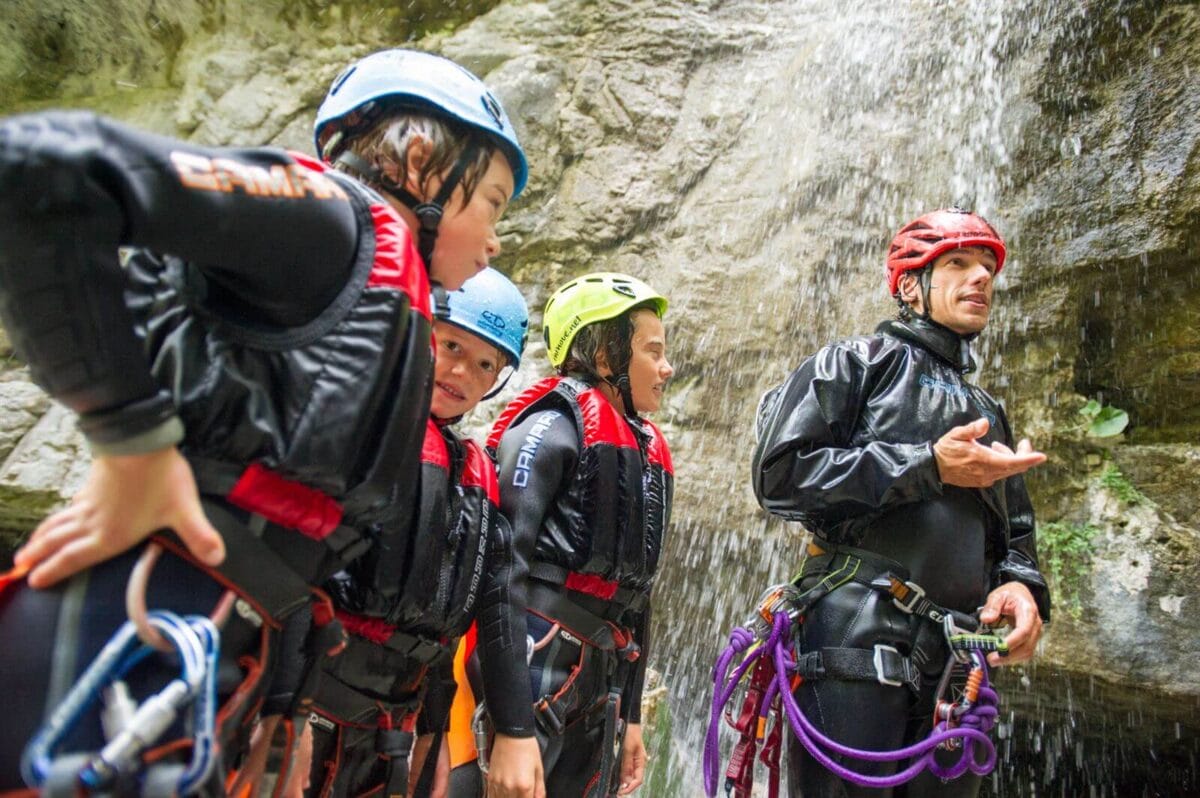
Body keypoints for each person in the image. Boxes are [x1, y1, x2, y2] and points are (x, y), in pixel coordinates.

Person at [0, 47, 527, 794]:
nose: (496, 239)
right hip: (134, 626)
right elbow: (41, 166)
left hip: (206, 645)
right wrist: (132, 442)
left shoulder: (373, 284)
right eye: (495, 202)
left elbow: (294, 547)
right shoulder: (330, 221)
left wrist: (287, 703)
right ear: (417, 161)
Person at [751, 208, 1051, 797]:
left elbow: (1014, 539)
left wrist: (1022, 589)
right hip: (857, 632)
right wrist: (928, 466)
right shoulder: (856, 364)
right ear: (910, 285)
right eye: (959, 264)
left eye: (987, 268)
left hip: (958, 654)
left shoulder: (987, 410)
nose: (981, 278)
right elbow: (778, 474)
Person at [303, 268, 535, 798]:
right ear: (422, 332)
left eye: (485, 364)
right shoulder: (359, 426)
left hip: (399, 724)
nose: (463, 372)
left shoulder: (474, 472)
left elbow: (480, 612)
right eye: (452, 344)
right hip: (314, 702)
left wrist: (461, 729)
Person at [469, 272, 675, 798]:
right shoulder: (550, 428)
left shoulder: (643, 448)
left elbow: (637, 594)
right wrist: (512, 727)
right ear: (605, 357)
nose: (667, 368)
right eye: (653, 352)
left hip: (597, 677)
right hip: (535, 667)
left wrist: (630, 717)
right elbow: (501, 573)